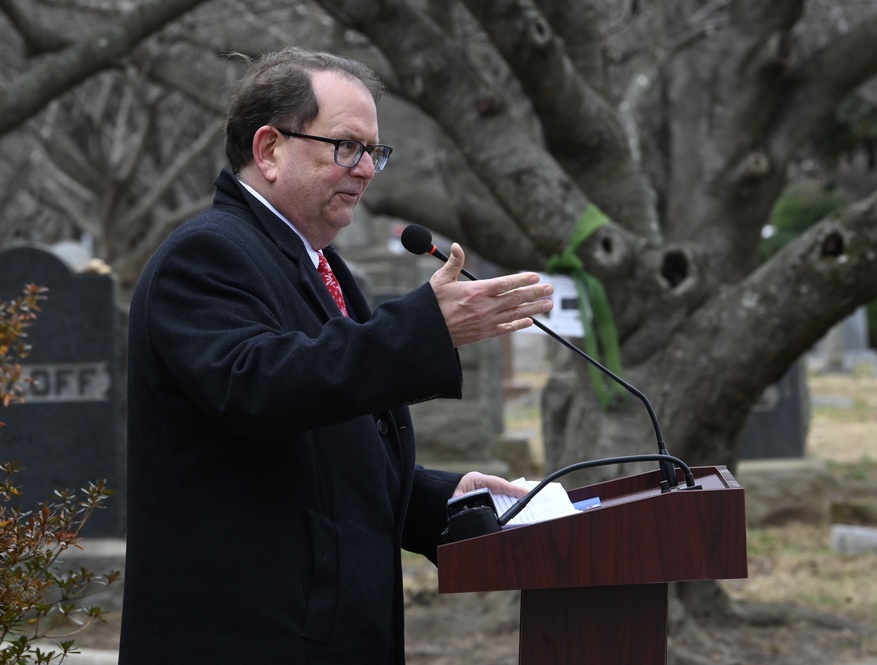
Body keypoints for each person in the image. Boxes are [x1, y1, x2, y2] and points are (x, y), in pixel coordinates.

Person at [118, 47, 553, 664]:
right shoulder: (205, 256)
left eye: (374, 151)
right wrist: (424, 328)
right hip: (248, 638)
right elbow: (261, 389)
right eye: (347, 146)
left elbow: (323, 444)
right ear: (269, 149)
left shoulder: (318, 263)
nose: (367, 169)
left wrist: (435, 499)